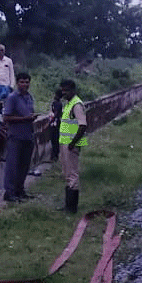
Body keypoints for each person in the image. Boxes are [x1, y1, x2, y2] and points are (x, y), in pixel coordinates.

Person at [2, 72, 37, 202]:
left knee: (24, 165)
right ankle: (9, 192)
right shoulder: (12, 98)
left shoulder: (29, 97)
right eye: (22, 82)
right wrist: (24, 118)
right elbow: (6, 117)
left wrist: (31, 118)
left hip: (28, 136)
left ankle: (19, 190)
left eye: (27, 82)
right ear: (17, 83)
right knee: (13, 165)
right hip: (15, 136)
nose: (25, 84)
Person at [58, 79, 88, 214]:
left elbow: (83, 125)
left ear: (73, 90)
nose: (64, 93)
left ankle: (71, 209)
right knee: (67, 174)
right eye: (63, 90)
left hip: (71, 145)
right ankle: (67, 206)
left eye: (67, 90)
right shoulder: (68, 104)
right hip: (65, 143)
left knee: (72, 175)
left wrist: (72, 143)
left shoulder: (76, 104)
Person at [48, 83, 65, 163]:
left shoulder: (56, 103)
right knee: (56, 140)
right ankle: (55, 155)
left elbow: (55, 113)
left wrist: (51, 121)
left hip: (54, 123)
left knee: (54, 140)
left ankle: (54, 156)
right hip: (57, 123)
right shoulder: (59, 103)